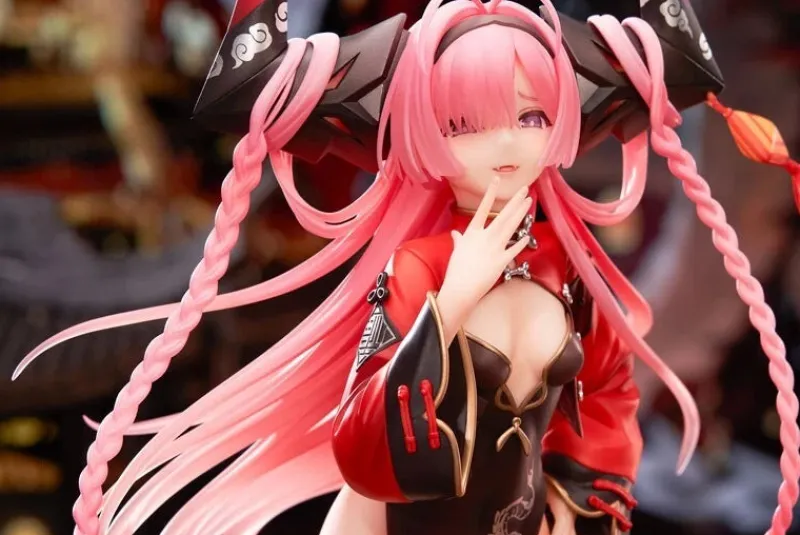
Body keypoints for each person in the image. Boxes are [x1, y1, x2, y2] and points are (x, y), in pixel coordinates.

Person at [12, 0, 799, 533]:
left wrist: (584, 503)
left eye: (530, 115)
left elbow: (606, 398)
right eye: (464, 123)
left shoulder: (567, 266)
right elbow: (364, 446)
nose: (505, 145)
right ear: (426, 132)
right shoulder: (421, 265)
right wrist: (449, 303)